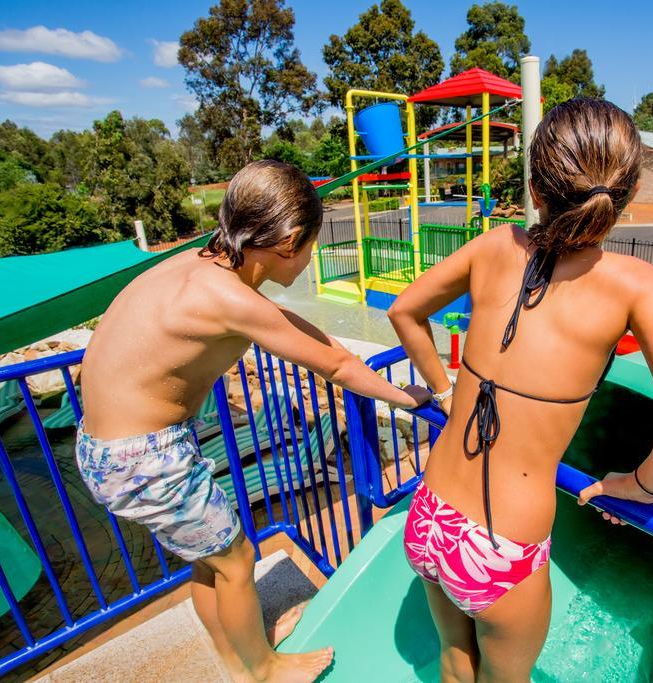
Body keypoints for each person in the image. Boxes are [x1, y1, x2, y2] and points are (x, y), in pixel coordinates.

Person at [388, 99, 653, 682]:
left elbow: (404, 311)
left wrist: (445, 393)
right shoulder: (634, 284)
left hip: (429, 515)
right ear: (621, 199)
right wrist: (638, 486)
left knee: (453, 659)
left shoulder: (496, 245)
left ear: (535, 186)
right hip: (501, 545)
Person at [77, 160, 431, 683]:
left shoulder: (200, 267)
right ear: (289, 240)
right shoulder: (227, 297)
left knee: (211, 560)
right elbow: (335, 364)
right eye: (311, 246)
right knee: (237, 562)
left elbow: (316, 339)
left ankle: (235, 660)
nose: (309, 261)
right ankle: (263, 670)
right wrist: (409, 401)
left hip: (113, 446)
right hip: (145, 456)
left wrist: (397, 390)